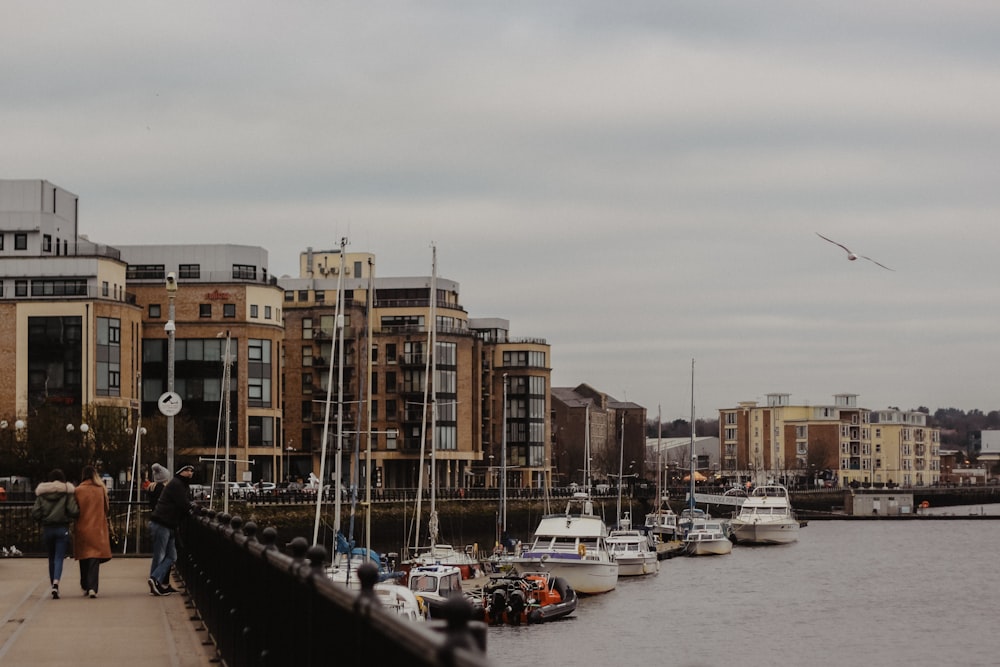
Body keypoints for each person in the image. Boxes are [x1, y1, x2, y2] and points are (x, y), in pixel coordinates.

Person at [31, 469, 79, 599]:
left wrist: (43, 519)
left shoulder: (42, 494)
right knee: (59, 558)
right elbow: (74, 510)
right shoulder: (66, 493)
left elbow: (35, 513)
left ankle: (53, 583)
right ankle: (56, 584)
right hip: (62, 528)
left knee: (51, 558)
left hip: (48, 528)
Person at [148, 464, 195, 596]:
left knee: (171, 555)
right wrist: (192, 509)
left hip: (169, 524)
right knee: (161, 555)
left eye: (192, 471)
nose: (190, 473)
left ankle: (156, 581)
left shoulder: (179, 485)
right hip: (162, 523)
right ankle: (155, 580)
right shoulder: (177, 484)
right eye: (187, 470)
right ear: (180, 472)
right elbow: (183, 503)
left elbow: (185, 503)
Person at [74, 465, 112, 598]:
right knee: (94, 559)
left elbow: (74, 510)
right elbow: (106, 508)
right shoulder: (101, 490)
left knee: (84, 557)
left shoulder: (78, 490)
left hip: (82, 527)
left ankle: (84, 584)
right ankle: (92, 588)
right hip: (97, 528)